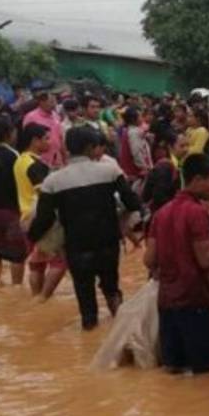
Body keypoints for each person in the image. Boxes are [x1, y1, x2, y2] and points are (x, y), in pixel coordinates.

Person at [28, 126, 142, 330]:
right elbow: (132, 202)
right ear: (90, 147)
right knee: (112, 289)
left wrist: (32, 237)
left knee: (85, 295)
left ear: (67, 148)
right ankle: (122, 331)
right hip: (108, 242)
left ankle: (90, 331)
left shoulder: (53, 181)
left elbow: (44, 219)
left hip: (76, 247)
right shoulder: (110, 171)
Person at [145, 154, 209, 373]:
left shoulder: (160, 214)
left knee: (173, 371)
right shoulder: (196, 212)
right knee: (204, 371)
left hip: (167, 306)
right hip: (194, 303)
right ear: (197, 179)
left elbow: (149, 260)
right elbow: (205, 259)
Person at [13, 123, 67, 298]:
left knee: (37, 263)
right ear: (35, 141)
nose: (50, 142)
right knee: (60, 260)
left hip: (25, 217)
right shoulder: (35, 165)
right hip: (40, 216)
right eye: (46, 138)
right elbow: (45, 195)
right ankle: (43, 298)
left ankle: (36, 298)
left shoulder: (20, 160)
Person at [0, 117, 25, 286]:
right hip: (10, 211)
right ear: (7, 134)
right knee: (17, 254)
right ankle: (17, 288)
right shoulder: (13, 155)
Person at [142, 132, 185, 213]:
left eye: (187, 145)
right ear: (170, 147)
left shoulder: (174, 164)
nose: (186, 149)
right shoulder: (166, 166)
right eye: (182, 146)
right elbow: (159, 197)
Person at [22, 91, 65, 169]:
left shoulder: (55, 115)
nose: (54, 104)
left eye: (55, 101)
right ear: (42, 102)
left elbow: (60, 137)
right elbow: (27, 140)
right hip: (41, 161)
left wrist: (64, 156)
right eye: (51, 102)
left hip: (58, 159)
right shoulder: (31, 117)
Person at [117, 105, 152, 188]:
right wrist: (144, 167)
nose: (142, 118)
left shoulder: (130, 130)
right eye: (140, 116)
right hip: (136, 173)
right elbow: (137, 152)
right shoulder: (134, 133)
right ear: (133, 119)